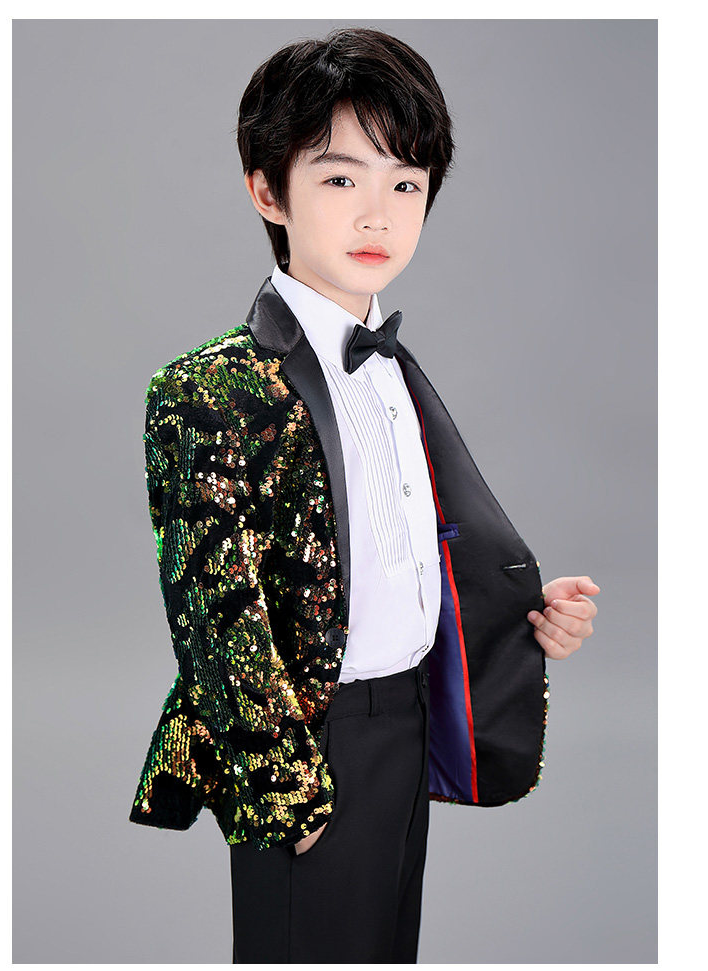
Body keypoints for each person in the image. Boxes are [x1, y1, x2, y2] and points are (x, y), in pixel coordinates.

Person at [128, 27, 600, 964]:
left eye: (406, 184)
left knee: (388, 948)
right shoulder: (208, 388)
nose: (378, 215)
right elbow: (215, 614)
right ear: (269, 190)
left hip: (409, 719)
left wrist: (522, 617)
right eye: (341, 178)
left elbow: (411, 550)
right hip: (311, 740)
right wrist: (285, 792)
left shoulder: (394, 371)